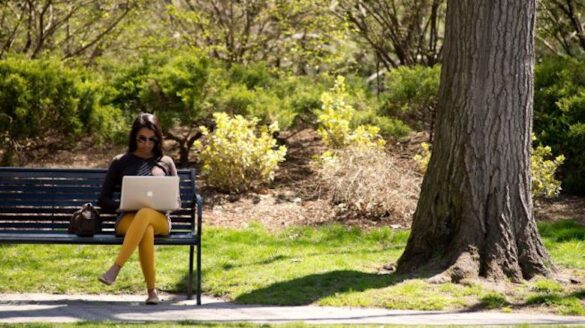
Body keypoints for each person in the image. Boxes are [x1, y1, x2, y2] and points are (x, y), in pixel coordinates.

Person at [97, 113, 179, 305]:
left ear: (158, 139)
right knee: (145, 227)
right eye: (142, 138)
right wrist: (123, 204)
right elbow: (103, 198)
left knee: (146, 215)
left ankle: (115, 268)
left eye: (152, 139)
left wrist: (164, 202)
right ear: (134, 137)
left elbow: (176, 200)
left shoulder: (166, 162)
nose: (147, 144)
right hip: (127, 220)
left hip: (160, 219)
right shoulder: (120, 161)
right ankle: (152, 293)